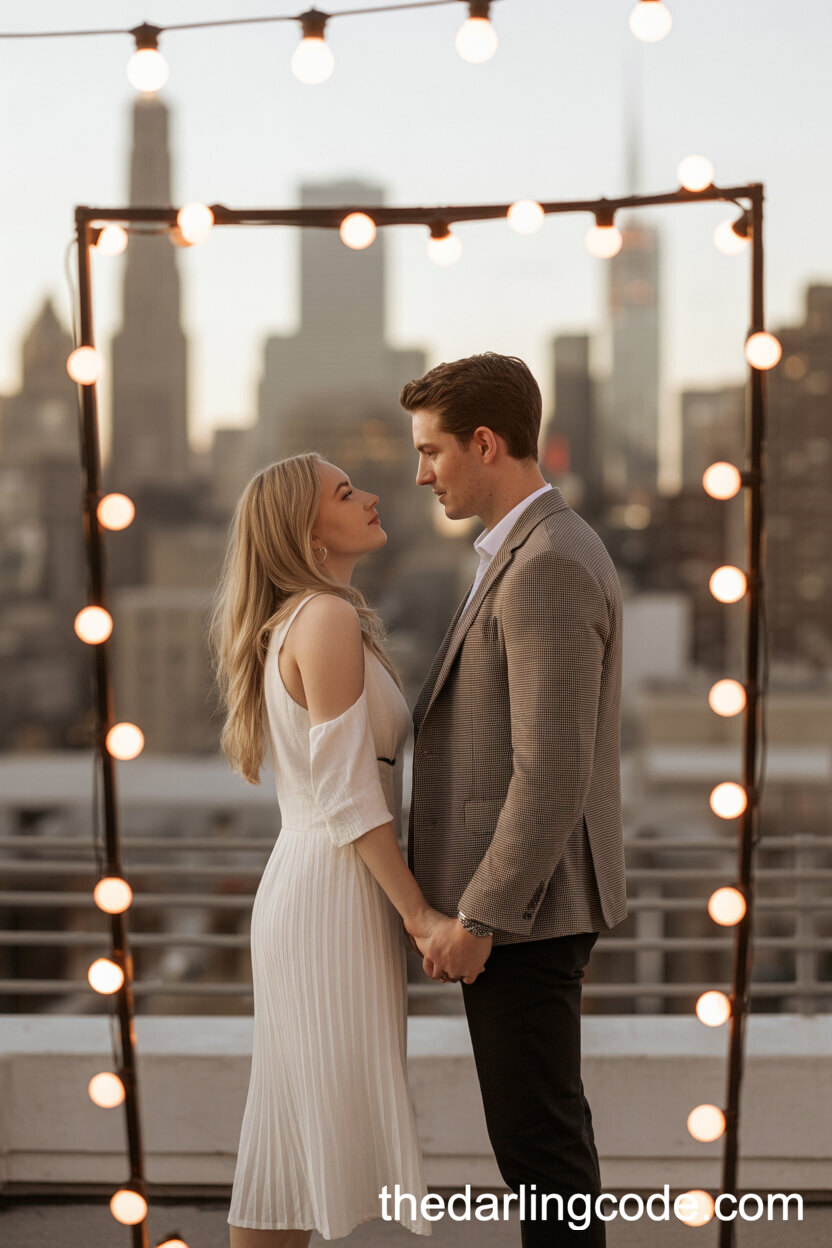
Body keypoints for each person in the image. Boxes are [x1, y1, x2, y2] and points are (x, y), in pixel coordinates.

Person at [210, 454, 476, 1247]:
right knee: (292, 1133)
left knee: (289, 1144)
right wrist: (422, 917)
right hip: (329, 889)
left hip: (325, 882)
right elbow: (350, 794)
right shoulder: (321, 620)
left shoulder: (320, 615)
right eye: (345, 492)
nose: (369, 497)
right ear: (306, 528)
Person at [400, 352, 628, 1247]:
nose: (421, 474)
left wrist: (481, 918)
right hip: (525, 910)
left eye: (433, 452)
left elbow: (552, 771)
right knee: (538, 1145)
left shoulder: (546, 566)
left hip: (528, 913)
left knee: (541, 1150)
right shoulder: (527, 549)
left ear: (486, 443)